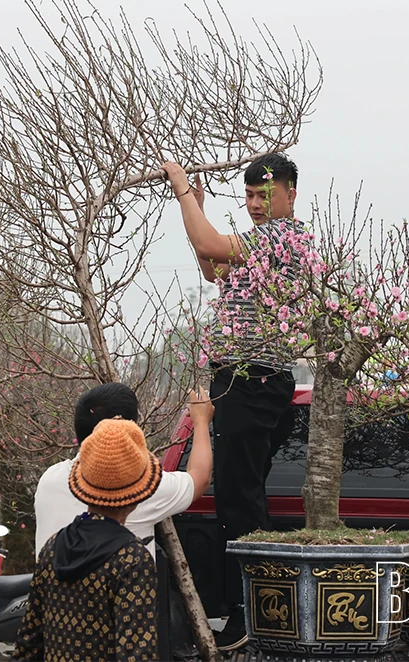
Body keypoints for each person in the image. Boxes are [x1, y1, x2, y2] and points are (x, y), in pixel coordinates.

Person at [163, 153, 307, 650]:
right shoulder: (259, 246)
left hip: (254, 380)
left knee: (240, 501)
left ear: (289, 193)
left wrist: (182, 189)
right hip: (239, 380)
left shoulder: (284, 237)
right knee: (238, 496)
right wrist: (197, 207)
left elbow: (208, 242)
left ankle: (256, 615)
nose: (255, 205)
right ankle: (255, 611)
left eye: (264, 196)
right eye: (247, 196)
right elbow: (211, 267)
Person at [16, 419, 161, 662]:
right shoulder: (132, 560)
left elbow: (28, 643)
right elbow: (137, 654)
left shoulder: (53, 547)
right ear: (137, 494)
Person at [35, 383, 213, 559]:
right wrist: (201, 422)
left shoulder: (49, 479)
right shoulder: (138, 487)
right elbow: (200, 478)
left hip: (51, 588)